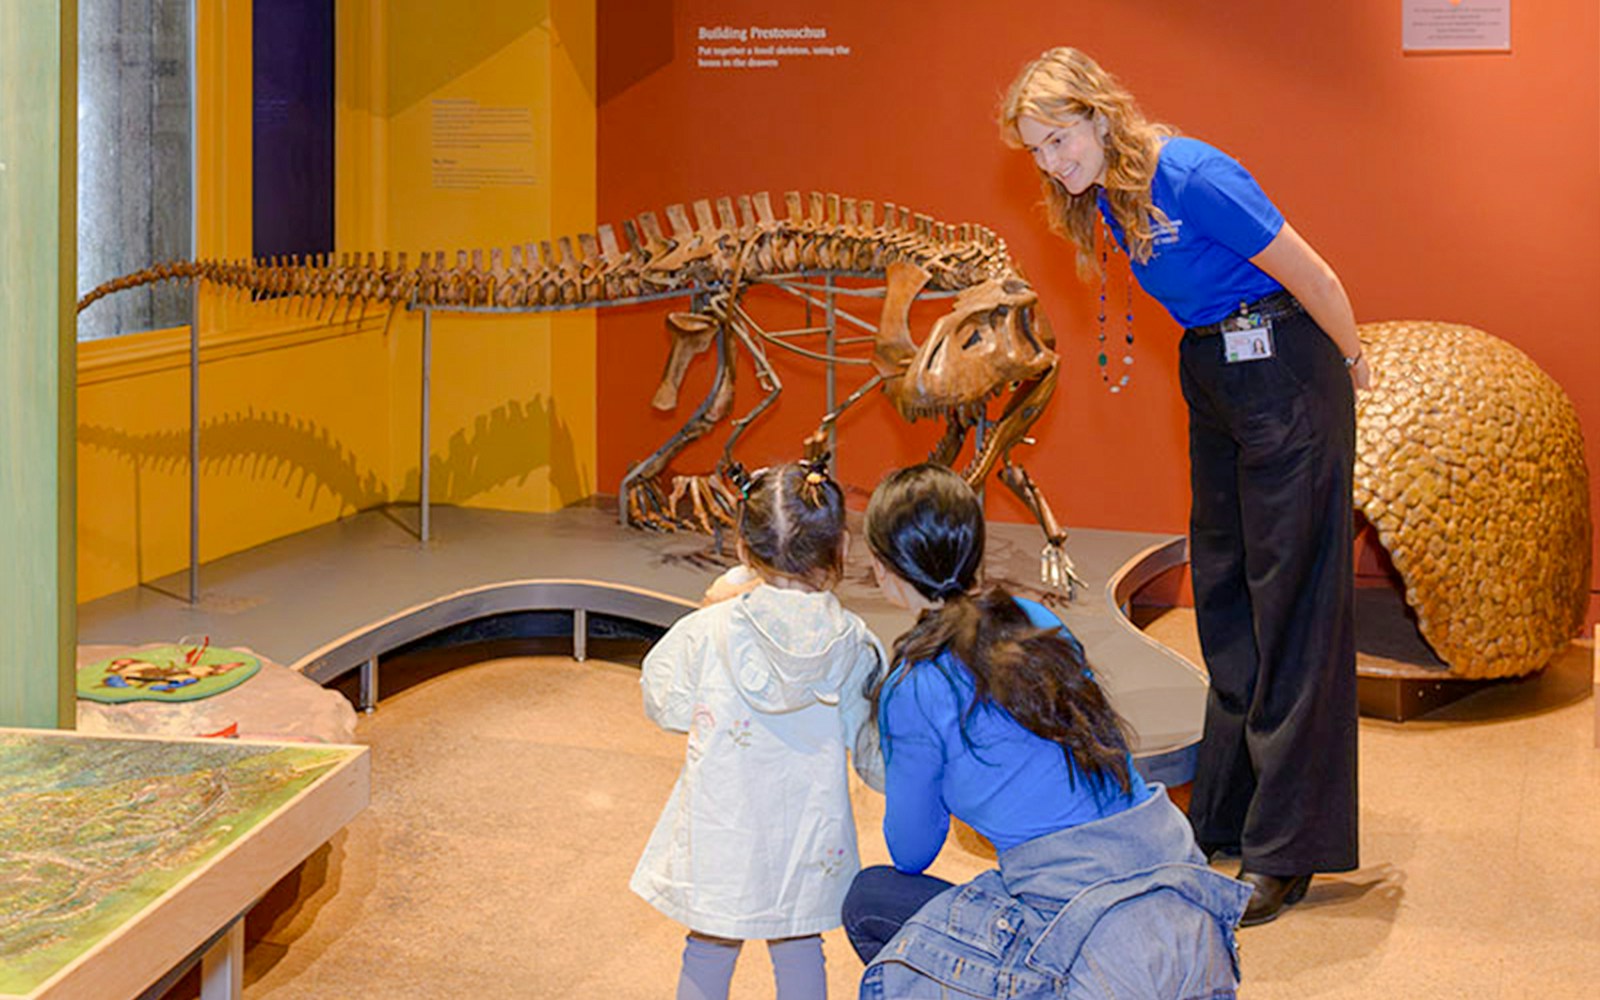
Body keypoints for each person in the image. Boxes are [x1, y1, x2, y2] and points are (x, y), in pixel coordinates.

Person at [998, 47, 1364, 926]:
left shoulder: (1191, 173)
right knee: (1227, 598)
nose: (1052, 163)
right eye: (1036, 151)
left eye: (1058, 139)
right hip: (1216, 372)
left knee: (1293, 606)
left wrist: (1352, 362)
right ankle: (1229, 816)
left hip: (1285, 365)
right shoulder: (1109, 198)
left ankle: (1286, 849)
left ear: (1096, 113)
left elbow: (1312, 273)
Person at [843, 463, 1252, 999]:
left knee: (871, 899)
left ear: (882, 566)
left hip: (1088, 957)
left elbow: (911, 851)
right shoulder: (1037, 618)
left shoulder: (914, 686)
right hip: (1184, 918)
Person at [631, 457, 886, 1000]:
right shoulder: (856, 642)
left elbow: (666, 705)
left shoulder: (709, 627)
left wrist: (709, 603)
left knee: (708, 944)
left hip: (724, 824)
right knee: (799, 944)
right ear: (840, 548)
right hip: (809, 836)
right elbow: (874, 754)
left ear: (744, 549)